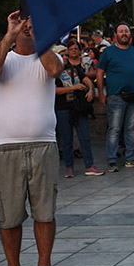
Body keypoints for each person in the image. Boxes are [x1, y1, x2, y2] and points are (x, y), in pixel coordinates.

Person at [0, 11, 63, 266]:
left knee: (44, 211)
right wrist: (9, 35)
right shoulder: (6, 60)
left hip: (43, 145)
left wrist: (42, 37)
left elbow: (54, 70)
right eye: (24, 25)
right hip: (6, 146)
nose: (28, 29)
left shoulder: (48, 56)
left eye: (32, 25)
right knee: (9, 214)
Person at [97, 23, 134, 171]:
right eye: (121, 31)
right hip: (116, 97)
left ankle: (130, 159)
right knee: (115, 129)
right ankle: (112, 160)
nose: (124, 33)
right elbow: (99, 72)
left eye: (126, 31)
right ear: (115, 35)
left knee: (130, 129)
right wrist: (100, 93)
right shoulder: (108, 52)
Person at [54, 44, 97, 178]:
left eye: (66, 55)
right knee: (67, 139)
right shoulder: (53, 72)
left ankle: (89, 165)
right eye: (61, 56)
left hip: (78, 107)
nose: (65, 58)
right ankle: (69, 167)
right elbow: (54, 90)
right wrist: (72, 88)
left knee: (85, 137)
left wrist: (90, 90)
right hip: (62, 108)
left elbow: (87, 80)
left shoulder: (75, 69)